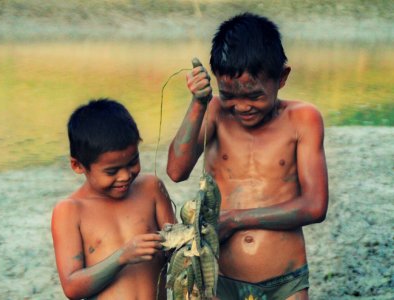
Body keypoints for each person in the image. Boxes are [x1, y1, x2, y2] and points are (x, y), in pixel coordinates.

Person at [167, 12, 328, 300]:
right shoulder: (214, 112)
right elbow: (176, 170)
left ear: (282, 77)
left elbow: (315, 206)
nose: (242, 107)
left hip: (286, 281)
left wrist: (236, 219)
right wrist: (198, 104)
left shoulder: (303, 119)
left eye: (254, 96)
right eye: (229, 95)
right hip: (220, 279)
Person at [52, 98, 176, 300]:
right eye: (112, 171)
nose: (125, 176)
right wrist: (123, 256)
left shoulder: (151, 189)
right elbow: (72, 287)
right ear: (78, 166)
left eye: (133, 162)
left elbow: (177, 252)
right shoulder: (70, 211)